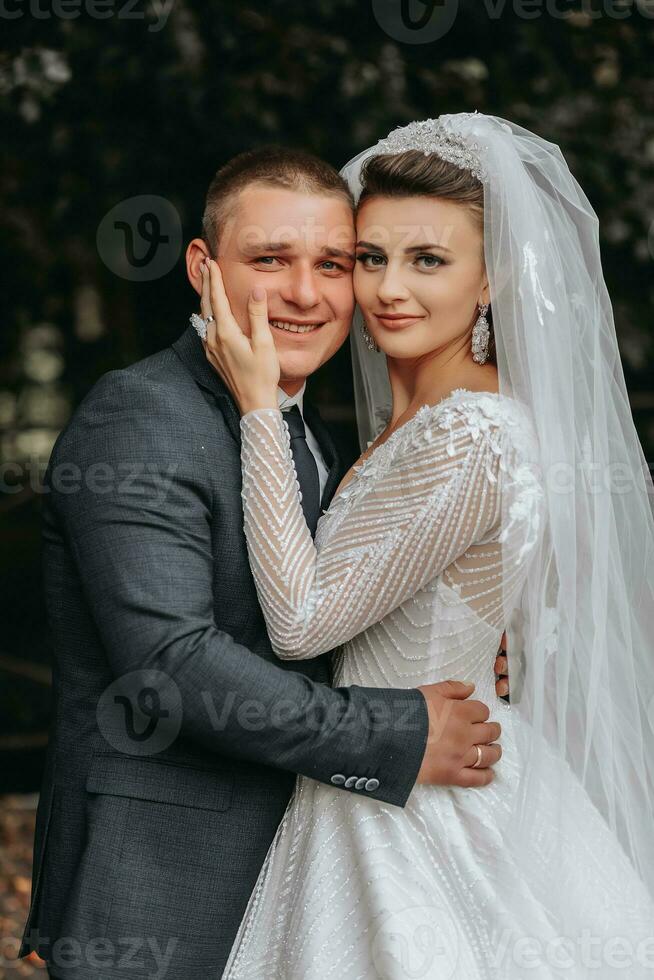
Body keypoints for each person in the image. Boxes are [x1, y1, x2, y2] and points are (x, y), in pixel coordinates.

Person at [18, 145, 510, 980]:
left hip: (311, 866)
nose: (306, 294)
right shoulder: (141, 416)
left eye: (332, 263)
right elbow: (172, 662)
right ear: (202, 267)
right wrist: (398, 729)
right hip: (163, 882)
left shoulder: (305, 432)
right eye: (270, 260)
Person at [200, 114, 654, 979]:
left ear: (490, 281)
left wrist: (259, 408)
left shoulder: (470, 433)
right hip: (390, 763)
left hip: (415, 800)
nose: (387, 290)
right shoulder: (414, 425)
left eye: (429, 260)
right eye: (370, 258)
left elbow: (299, 624)